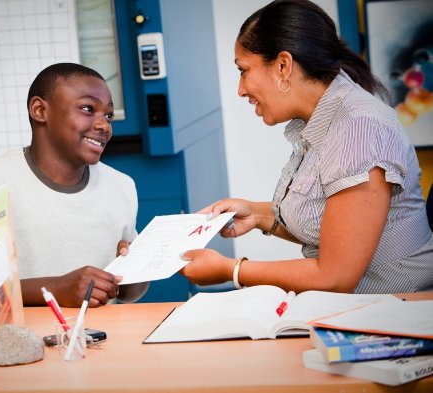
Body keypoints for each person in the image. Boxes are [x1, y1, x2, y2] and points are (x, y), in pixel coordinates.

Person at [179, 0, 433, 294]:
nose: (241, 89)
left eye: (244, 70)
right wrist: (259, 215)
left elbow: (335, 277)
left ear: (283, 66)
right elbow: (333, 223)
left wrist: (231, 270)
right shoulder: (324, 120)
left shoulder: (359, 130)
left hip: (396, 311)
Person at [0, 63, 148, 307]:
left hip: (102, 338)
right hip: (23, 340)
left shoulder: (122, 186)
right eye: (88, 109)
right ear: (40, 110)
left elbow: (130, 293)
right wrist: (56, 289)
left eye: (108, 115)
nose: (104, 125)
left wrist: (135, 273)